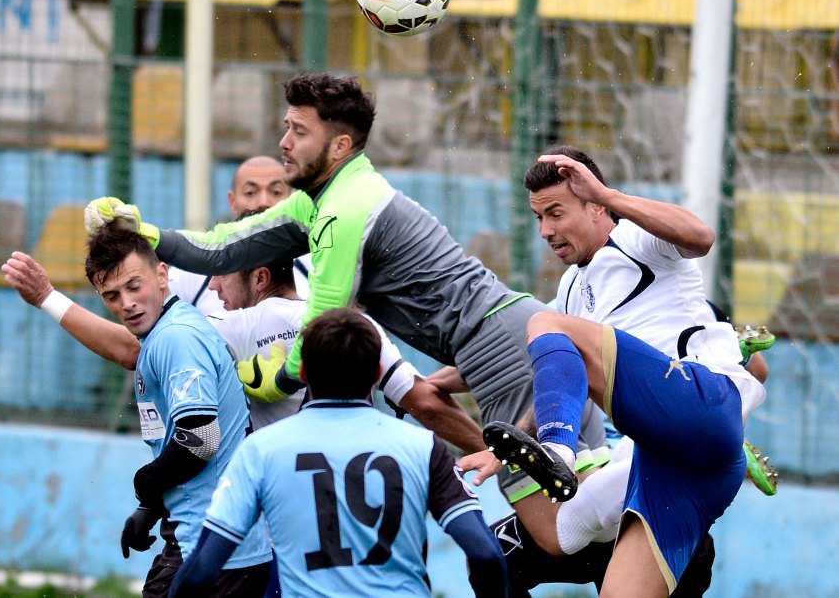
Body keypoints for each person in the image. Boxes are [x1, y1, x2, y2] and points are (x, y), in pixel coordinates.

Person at [83, 71, 611, 506]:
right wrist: (143, 230)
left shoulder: (345, 210)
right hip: (506, 341)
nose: (284, 143)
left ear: (338, 145)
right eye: (285, 127)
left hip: (504, 353)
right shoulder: (321, 198)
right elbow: (226, 248)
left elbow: (323, 323)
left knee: (556, 524)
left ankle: (660, 507)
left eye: (298, 132)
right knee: (572, 513)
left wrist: (278, 381)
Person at [468, 147, 766, 596]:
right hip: (677, 467)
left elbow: (701, 236)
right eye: (538, 218)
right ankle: (555, 451)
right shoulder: (570, 290)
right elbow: (563, 377)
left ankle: (559, 452)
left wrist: (610, 193)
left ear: (594, 205)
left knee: (543, 324)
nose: (546, 231)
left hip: (703, 402)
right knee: (566, 530)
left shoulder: (635, 239)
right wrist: (508, 445)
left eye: (555, 213)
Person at [2, 247, 487, 454]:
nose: (212, 284)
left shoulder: (230, 327)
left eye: (222, 272)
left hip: (281, 510)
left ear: (258, 277)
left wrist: (47, 297)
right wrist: (495, 454)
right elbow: (422, 401)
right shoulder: (352, 324)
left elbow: (133, 348)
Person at [168, 308, 508, 598]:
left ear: (302, 373)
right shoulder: (423, 446)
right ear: (377, 374)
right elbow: (485, 554)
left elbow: (201, 569)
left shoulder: (261, 450)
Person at [82, 224, 271, 597]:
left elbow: (201, 439)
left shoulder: (176, 337)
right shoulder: (167, 332)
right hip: (224, 542)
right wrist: (151, 508)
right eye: (112, 295)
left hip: (210, 542)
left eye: (134, 286)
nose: (126, 303)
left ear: (163, 274)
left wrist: (146, 485)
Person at [168, 154, 309, 315]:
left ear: (291, 200)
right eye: (250, 192)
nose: (264, 201)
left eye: (276, 192)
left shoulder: (313, 262)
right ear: (232, 201)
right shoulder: (194, 269)